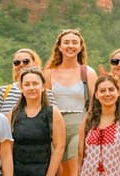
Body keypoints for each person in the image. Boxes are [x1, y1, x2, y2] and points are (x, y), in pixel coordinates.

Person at [44, 29, 98, 176]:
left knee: (75, 168)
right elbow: (44, 103)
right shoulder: (49, 73)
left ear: (80, 47)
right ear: (59, 47)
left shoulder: (88, 73)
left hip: (79, 125)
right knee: (58, 170)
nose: (70, 46)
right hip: (54, 126)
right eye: (66, 42)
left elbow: (95, 104)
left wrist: (89, 125)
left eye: (74, 42)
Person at [7, 68, 66, 176]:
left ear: (43, 87)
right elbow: (7, 150)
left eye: (35, 83)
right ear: (21, 88)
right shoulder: (12, 115)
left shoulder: (53, 113)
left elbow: (59, 147)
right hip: (18, 171)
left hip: (44, 170)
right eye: (27, 84)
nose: (31, 88)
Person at [78, 76, 120, 176]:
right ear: (96, 95)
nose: (107, 94)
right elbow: (80, 156)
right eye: (102, 91)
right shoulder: (88, 121)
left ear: (118, 92)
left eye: (111, 89)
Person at [0, 49, 56, 113]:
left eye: (25, 61)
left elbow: (54, 118)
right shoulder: (3, 92)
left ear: (35, 63)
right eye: (17, 63)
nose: (21, 65)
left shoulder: (47, 94)